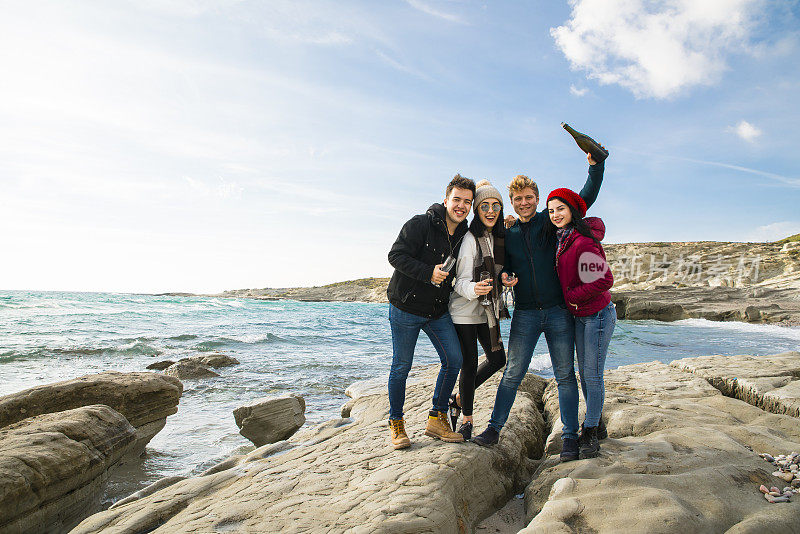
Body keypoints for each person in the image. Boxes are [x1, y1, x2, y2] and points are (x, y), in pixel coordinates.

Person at [471, 152, 605, 463]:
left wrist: (596, 167)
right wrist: (504, 277)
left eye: (529, 198)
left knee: (565, 376)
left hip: (559, 312)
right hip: (526, 314)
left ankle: (570, 437)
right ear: (511, 202)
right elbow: (499, 263)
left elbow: (584, 198)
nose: (524, 203)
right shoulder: (507, 231)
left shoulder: (549, 221)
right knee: (512, 374)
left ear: (537, 198)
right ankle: (493, 429)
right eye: (518, 199)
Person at [386, 174, 476, 449]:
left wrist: (505, 222)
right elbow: (395, 256)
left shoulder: (464, 233)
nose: (461, 206)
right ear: (446, 198)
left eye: (467, 202)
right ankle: (397, 424)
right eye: (457, 200)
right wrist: (428, 273)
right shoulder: (420, 224)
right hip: (406, 307)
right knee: (402, 366)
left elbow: (489, 230)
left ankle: (436, 418)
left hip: (437, 310)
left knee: (454, 360)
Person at [546, 187, 615, 459]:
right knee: (587, 375)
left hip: (597, 315)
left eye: (560, 209)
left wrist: (572, 297)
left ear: (572, 210)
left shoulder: (582, 241)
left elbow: (603, 280)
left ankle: (590, 433)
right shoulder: (562, 239)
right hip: (580, 315)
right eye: (551, 211)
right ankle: (597, 423)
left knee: (592, 375)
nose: (555, 215)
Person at [447, 180, 510, 441]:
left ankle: (459, 399)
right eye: (485, 205)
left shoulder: (499, 238)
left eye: (496, 205)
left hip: (485, 312)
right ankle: (467, 420)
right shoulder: (470, 240)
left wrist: (505, 278)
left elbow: (502, 269)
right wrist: (477, 289)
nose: (491, 210)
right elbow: (458, 282)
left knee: (498, 359)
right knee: (470, 364)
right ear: (476, 209)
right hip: (463, 310)